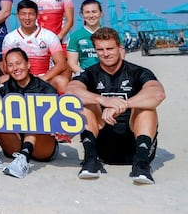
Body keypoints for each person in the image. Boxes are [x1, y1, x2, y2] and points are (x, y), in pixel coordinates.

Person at [67, 27, 165, 185]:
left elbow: (158, 93)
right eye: (100, 49)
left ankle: (141, 165)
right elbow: (70, 92)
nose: (106, 53)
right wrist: (103, 100)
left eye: (110, 48)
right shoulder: (90, 73)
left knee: (146, 107)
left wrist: (124, 104)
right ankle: (90, 160)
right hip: (102, 148)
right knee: (84, 104)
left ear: (120, 48)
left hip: (136, 145)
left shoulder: (137, 72)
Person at [0, 48, 59, 178]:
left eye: (18, 63)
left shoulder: (45, 88)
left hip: (42, 148)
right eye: (10, 65)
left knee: (33, 113)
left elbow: (58, 118)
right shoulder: (5, 88)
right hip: (14, 146)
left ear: (28, 64)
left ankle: (24, 158)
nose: (15, 68)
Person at [1, 0, 68, 93]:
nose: (27, 18)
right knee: (3, 79)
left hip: (44, 77)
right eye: (23, 14)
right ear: (17, 15)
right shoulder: (10, 38)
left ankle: (66, 107)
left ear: (37, 15)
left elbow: (61, 64)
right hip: (20, 78)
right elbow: (6, 67)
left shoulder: (49, 36)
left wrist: (43, 78)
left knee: (62, 81)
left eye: (31, 14)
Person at [67, 0, 102, 74]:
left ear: (101, 13)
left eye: (94, 12)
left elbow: (120, 57)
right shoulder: (75, 36)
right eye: (87, 12)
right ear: (82, 15)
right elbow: (72, 64)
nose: (91, 15)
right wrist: (85, 75)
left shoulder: (112, 34)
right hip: (86, 75)